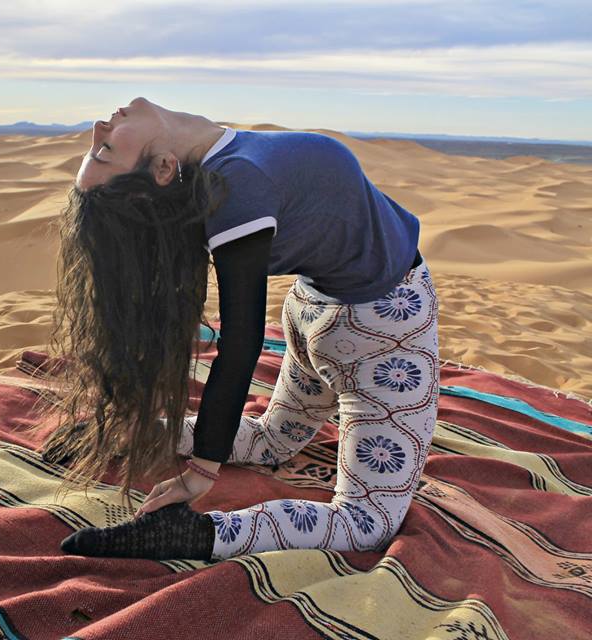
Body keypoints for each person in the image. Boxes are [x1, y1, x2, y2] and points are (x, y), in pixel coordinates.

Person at [36, 97, 439, 562]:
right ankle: (203, 535)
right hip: (384, 333)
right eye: (104, 152)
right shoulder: (235, 186)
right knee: (368, 522)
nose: (97, 129)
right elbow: (241, 342)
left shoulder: (223, 166)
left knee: (273, 440)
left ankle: (141, 434)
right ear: (164, 167)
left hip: (317, 315)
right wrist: (202, 471)